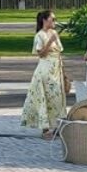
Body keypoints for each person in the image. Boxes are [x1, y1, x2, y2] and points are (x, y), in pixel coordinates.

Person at [20, 10, 67, 139]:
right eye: (53, 19)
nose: (55, 22)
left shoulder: (54, 33)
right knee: (45, 97)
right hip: (45, 71)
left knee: (56, 98)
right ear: (44, 21)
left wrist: (64, 72)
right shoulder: (39, 35)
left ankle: (57, 125)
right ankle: (45, 128)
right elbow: (41, 54)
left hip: (56, 70)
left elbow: (59, 52)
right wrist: (50, 41)